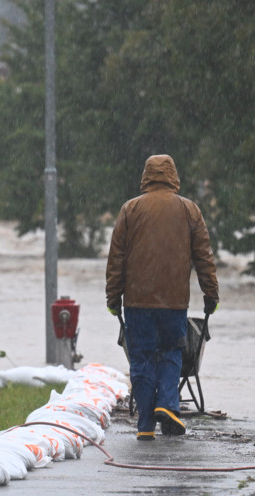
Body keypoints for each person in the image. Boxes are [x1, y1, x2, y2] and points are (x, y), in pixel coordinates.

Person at [105, 154, 219, 441]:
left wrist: (113, 296)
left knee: (141, 357)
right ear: (173, 176)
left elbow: (116, 257)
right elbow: (203, 256)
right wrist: (211, 293)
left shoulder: (130, 209)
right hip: (174, 301)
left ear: (146, 176)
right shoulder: (189, 210)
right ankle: (167, 404)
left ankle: (145, 424)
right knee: (171, 352)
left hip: (137, 301)